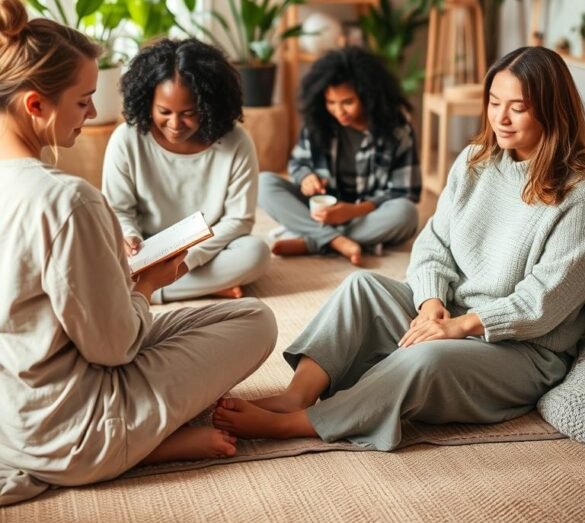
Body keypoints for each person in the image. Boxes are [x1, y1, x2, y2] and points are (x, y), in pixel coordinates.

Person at [213, 46, 585, 451]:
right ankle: (295, 395)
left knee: (423, 360)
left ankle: (303, 423)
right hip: (455, 316)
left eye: (519, 107)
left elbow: (542, 304)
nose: (501, 118)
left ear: (552, 110)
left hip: (522, 350)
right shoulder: (475, 161)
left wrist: (459, 327)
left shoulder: (577, 195)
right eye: (495, 102)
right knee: (362, 287)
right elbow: (434, 240)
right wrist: (430, 302)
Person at [0, 0, 277, 506]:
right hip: (73, 428)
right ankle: (142, 445)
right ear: (36, 105)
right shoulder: (66, 200)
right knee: (260, 323)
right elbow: (115, 349)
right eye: (84, 99)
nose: (93, 112)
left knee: (246, 305)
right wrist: (146, 284)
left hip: (13, 410)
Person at [103, 37, 271, 301]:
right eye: (164, 111)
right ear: (147, 102)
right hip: (146, 250)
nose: (175, 123)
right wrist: (130, 239)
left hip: (205, 249)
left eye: (189, 112)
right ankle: (205, 287)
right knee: (94, 250)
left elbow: (239, 220)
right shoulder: (126, 139)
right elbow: (118, 210)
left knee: (256, 253)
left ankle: (146, 291)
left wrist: (189, 260)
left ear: (209, 106)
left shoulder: (237, 142)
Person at [259, 46, 420, 266]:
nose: (338, 111)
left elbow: (405, 192)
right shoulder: (319, 121)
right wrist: (306, 178)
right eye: (331, 103)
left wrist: (352, 211)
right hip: (320, 211)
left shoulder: (397, 129)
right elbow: (298, 162)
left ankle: (312, 241)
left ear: (368, 96)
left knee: (407, 214)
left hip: (366, 214)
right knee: (264, 184)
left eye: (347, 102)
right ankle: (335, 240)